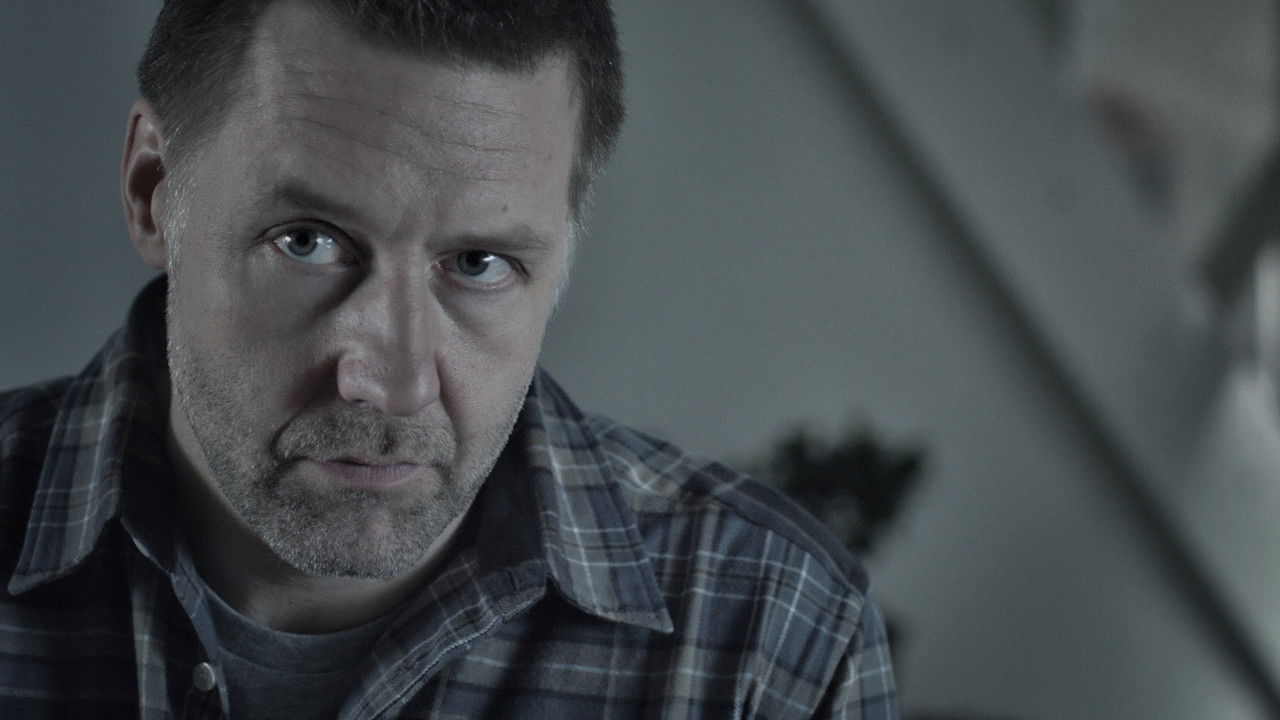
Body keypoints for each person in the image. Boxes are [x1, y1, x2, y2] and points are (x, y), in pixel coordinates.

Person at [0, 0, 897, 717]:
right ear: (154, 191)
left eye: (478, 264)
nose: (390, 384)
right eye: (308, 242)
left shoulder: (772, 634)